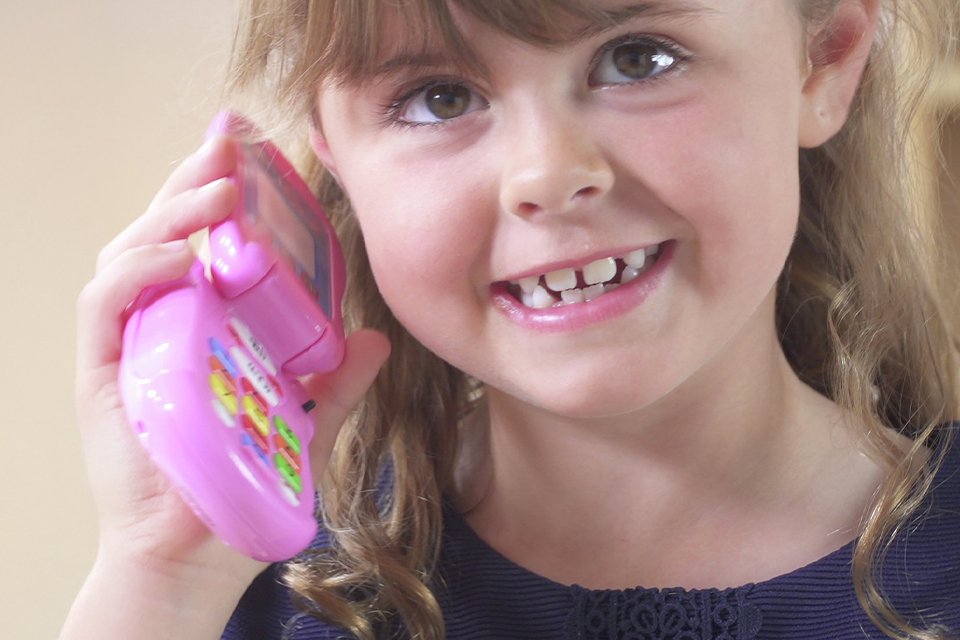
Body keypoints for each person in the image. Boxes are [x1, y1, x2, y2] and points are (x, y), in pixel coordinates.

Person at [62, 0, 960, 639]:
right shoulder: (262, 595)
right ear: (333, 153)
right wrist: (161, 581)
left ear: (828, 58)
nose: (546, 173)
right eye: (438, 98)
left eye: (640, 56)